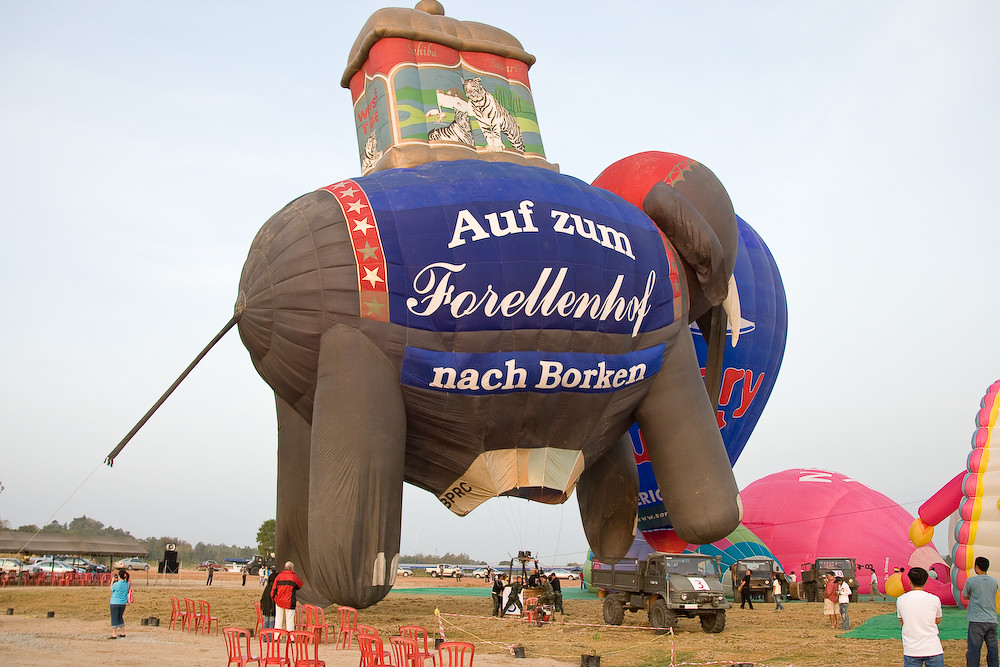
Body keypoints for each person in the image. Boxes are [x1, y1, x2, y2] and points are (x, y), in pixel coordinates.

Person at [897, 567, 943, 667]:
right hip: (933, 648)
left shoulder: (901, 600)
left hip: (911, 649)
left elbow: (901, 620)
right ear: (925, 582)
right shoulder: (934, 599)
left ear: (910, 581)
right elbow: (938, 619)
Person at [963, 556, 999, 667]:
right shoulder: (994, 582)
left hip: (976, 620)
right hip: (992, 620)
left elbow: (964, 596)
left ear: (976, 567)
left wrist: (973, 596)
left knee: (974, 650)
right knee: (993, 650)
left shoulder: (971, 581)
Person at [271, 561, 303, 631]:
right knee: (290, 621)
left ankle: (277, 635)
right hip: (290, 602)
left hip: (279, 601)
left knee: (278, 620)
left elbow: (273, 589)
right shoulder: (294, 577)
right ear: (292, 568)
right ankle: (290, 636)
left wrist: (275, 598)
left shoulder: (279, 576)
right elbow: (300, 585)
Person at [108, 569, 130, 639]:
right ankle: (122, 632)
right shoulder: (127, 584)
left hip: (115, 603)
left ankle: (114, 634)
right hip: (123, 603)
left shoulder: (116, 584)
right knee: (120, 617)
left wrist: (112, 581)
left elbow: (111, 589)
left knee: (114, 618)